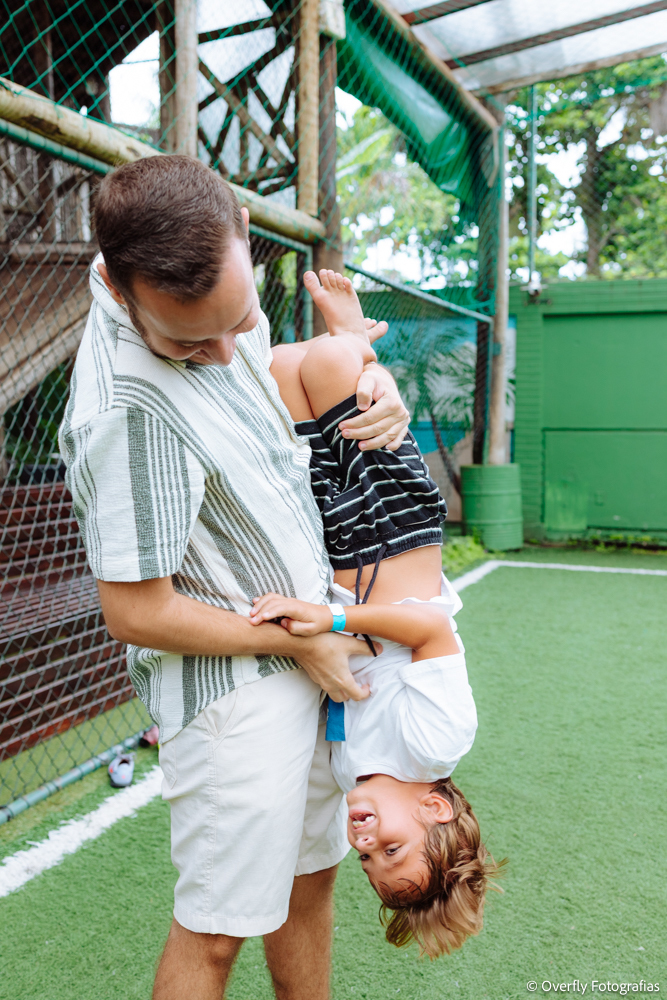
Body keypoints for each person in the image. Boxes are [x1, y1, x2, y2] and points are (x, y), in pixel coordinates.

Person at [58, 155, 411, 1000]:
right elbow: (134, 611)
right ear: (118, 284)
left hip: (307, 650)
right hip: (232, 691)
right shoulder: (124, 411)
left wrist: (365, 374)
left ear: (244, 236)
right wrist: (304, 644)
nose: (222, 352)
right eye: (187, 341)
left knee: (309, 880)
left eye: (237, 319)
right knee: (215, 936)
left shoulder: (210, 299)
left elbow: (265, 372)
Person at [250, 270, 501, 957]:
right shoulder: (437, 743)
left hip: (336, 548)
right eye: (390, 846)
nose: (363, 843)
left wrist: (321, 632)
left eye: (367, 861)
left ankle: (350, 341)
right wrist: (333, 624)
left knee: (276, 367)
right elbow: (428, 629)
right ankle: (354, 337)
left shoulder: (348, 770)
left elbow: (341, 677)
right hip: (395, 533)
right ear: (434, 809)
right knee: (331, 361)